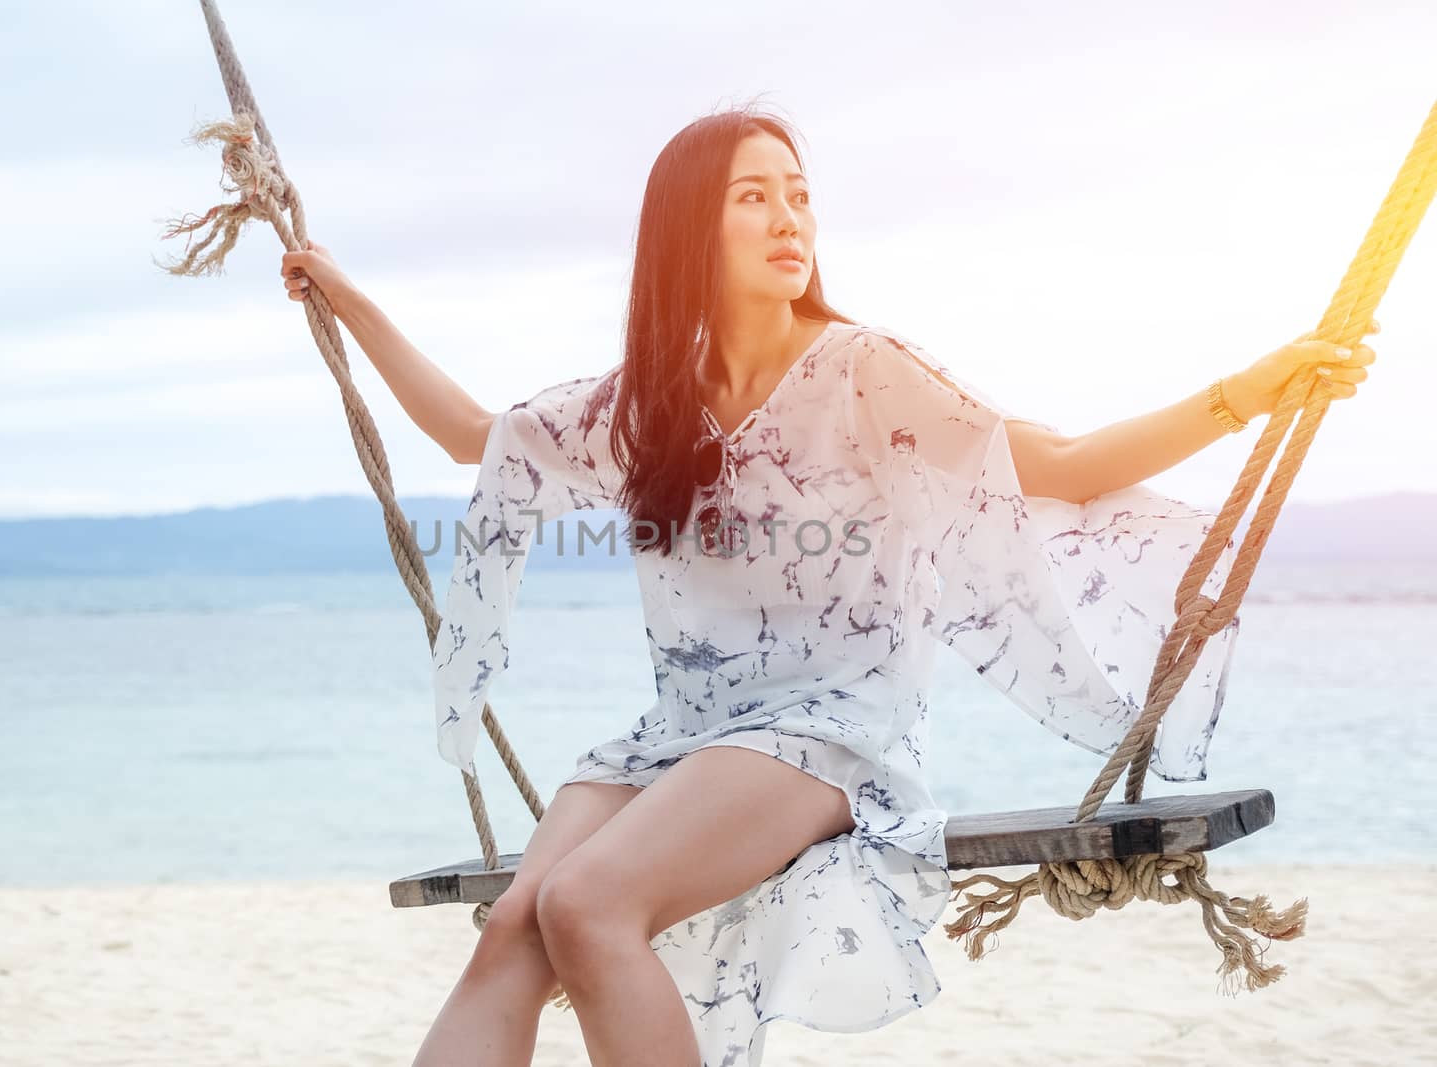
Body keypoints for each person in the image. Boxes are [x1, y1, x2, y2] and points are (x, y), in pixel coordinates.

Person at [279, 103, 1376, 1067]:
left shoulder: (863, 370)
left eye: (797, 195)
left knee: (587, 901)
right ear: (686, 232)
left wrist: (1248, 392)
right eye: (752, 196)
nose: (788, 217)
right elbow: (481, 435)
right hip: (679, 739)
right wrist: (345, 300)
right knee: (515, 927)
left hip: (829, 732)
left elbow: (1062, 462)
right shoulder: (649, 402)